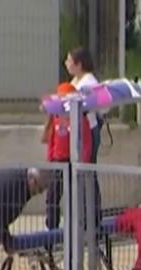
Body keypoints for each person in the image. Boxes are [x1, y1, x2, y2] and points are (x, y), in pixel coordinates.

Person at [42, 82, 93, 230]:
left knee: (73, 198)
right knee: (52, 198)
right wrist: (50, 159)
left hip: (73, 162)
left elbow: (86, 143)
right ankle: (51, 229)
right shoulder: (55, 118)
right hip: (58, 162)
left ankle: (73, 229)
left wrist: (83, 162)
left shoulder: (80, 119)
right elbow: (51, 141)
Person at [65, 46, 102, 163]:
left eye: (69, 60)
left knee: (88, 167)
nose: (66, 63)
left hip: (88, 130)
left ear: (79, 64)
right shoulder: (75, 80)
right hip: (76, 128)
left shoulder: (89, 83)